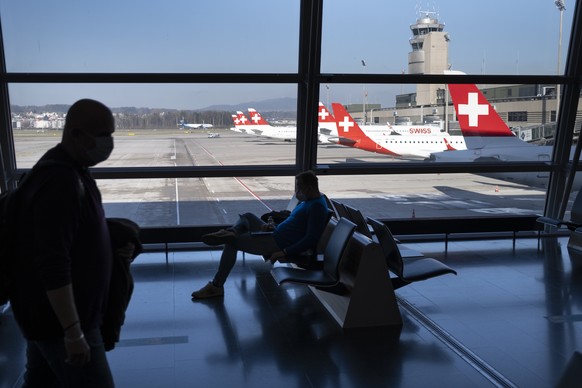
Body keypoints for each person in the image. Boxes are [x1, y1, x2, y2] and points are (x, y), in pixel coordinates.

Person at [9, 99, 116, 387]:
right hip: (64, 323)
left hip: (46, 319)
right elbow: (52, 261)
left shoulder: (69, 169)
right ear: (76, 134)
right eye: (103, 134)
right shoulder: (61, 180)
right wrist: (73, 332)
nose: (109, 142)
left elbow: (65, 232)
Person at [192, 170, 328, 299]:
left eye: (298, 189)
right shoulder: (309, 201)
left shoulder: (317, 207)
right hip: (275, 232)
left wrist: (284, 252)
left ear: (309, 188)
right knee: (247, 216)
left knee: (231, 243)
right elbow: (295, 225)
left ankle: (216, 285)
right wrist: (273, 226)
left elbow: (311, 238)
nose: (296, 192)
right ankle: (232, 232)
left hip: (277, 242)